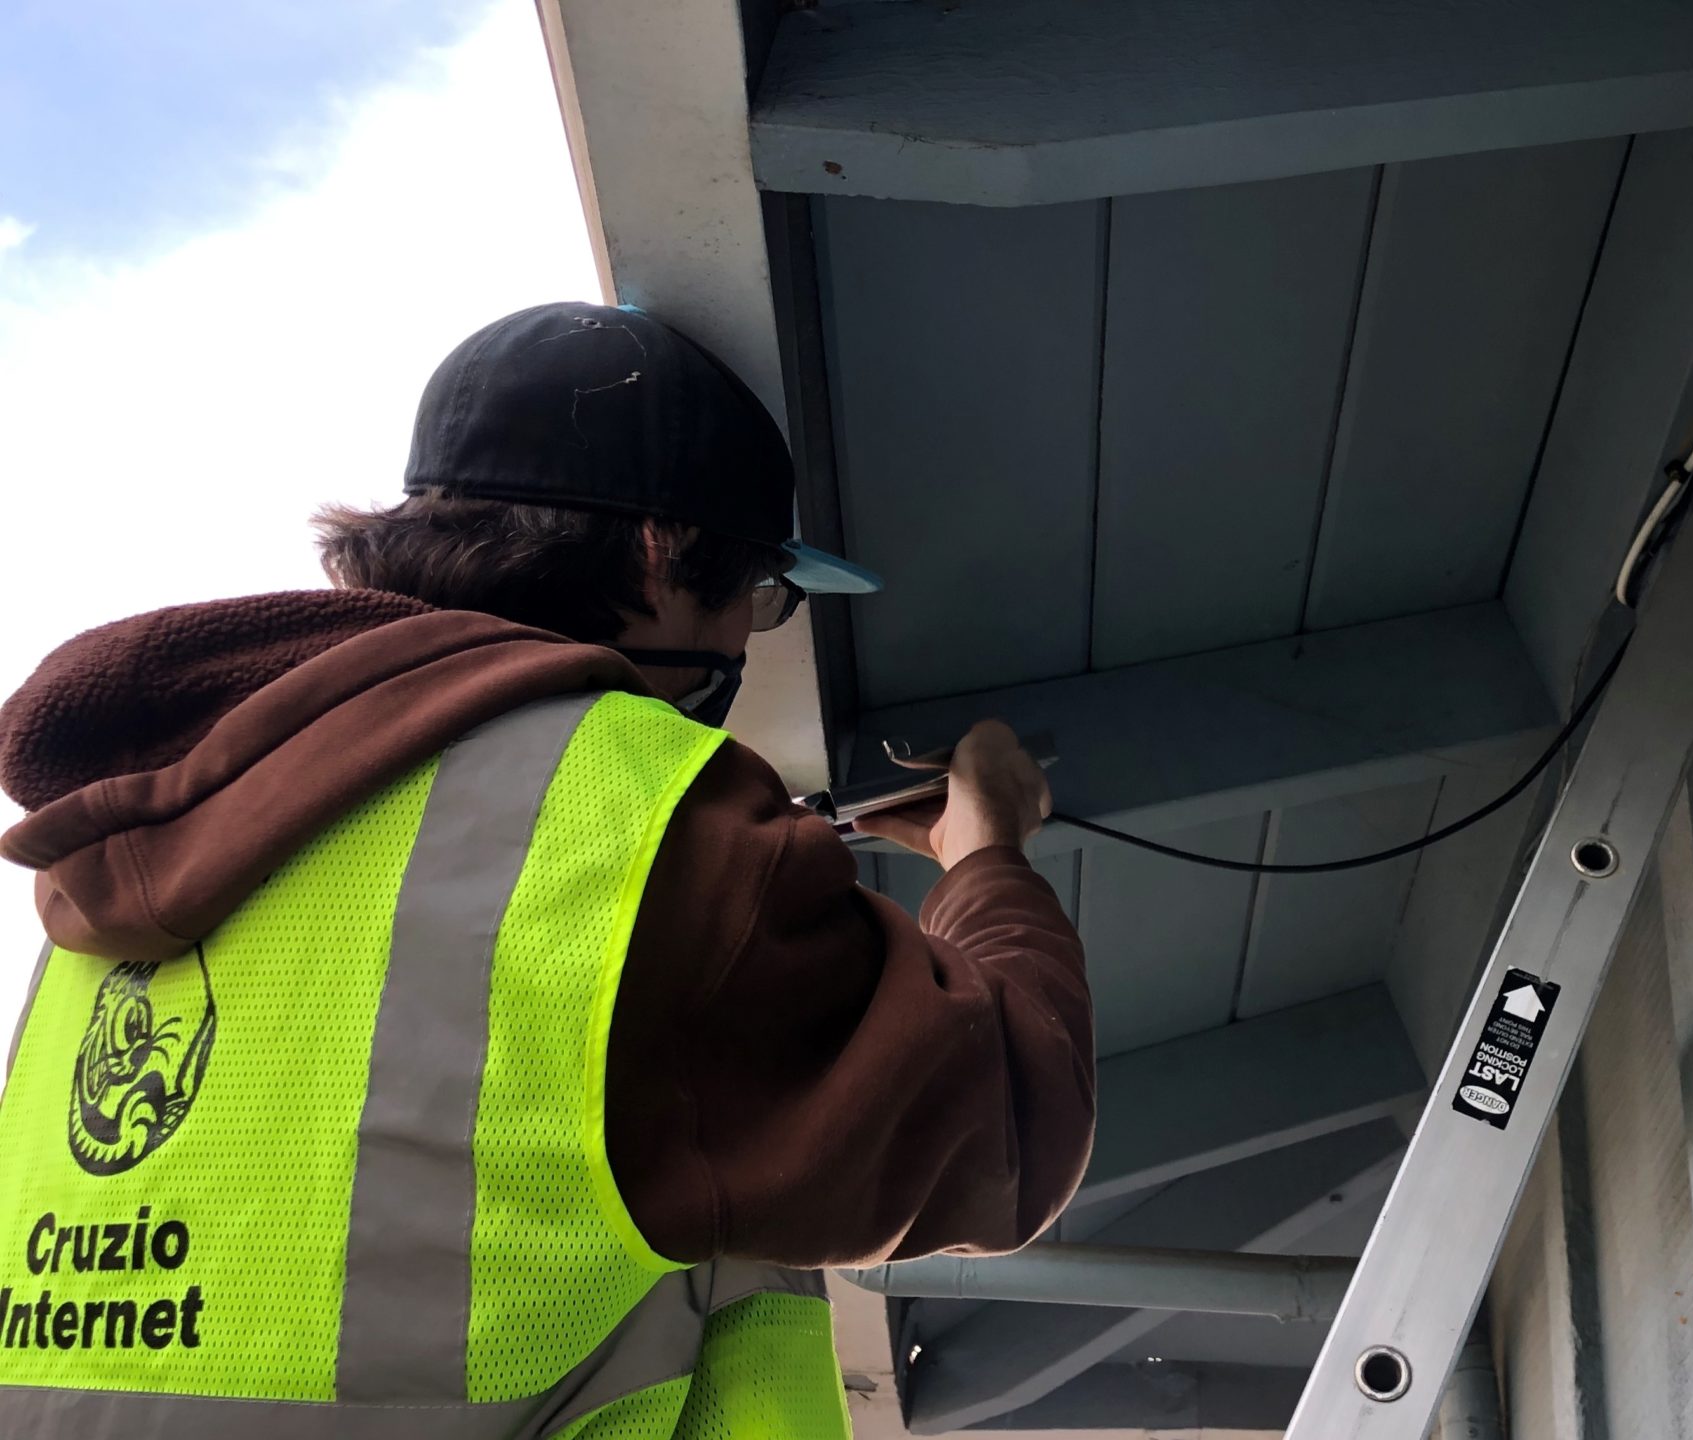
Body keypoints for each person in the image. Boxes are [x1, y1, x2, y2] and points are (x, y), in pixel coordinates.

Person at [0, 301, 1093, 1436]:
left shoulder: (111, 883)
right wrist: (989, 851)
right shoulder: (624, 803)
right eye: (758, 597)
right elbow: (1009, 1124)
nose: (741, 643)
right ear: (664, 551)